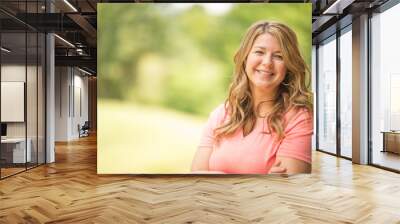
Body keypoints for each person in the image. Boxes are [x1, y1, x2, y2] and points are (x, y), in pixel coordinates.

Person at [191, 21, 313, 174]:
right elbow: (195, 175)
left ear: (288, 66)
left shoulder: (299, 119)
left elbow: (286, 189)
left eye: (279, 56)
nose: (267, 62)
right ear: (245, 57)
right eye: (259, 52)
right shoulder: (221, 114)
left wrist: (215, 178)